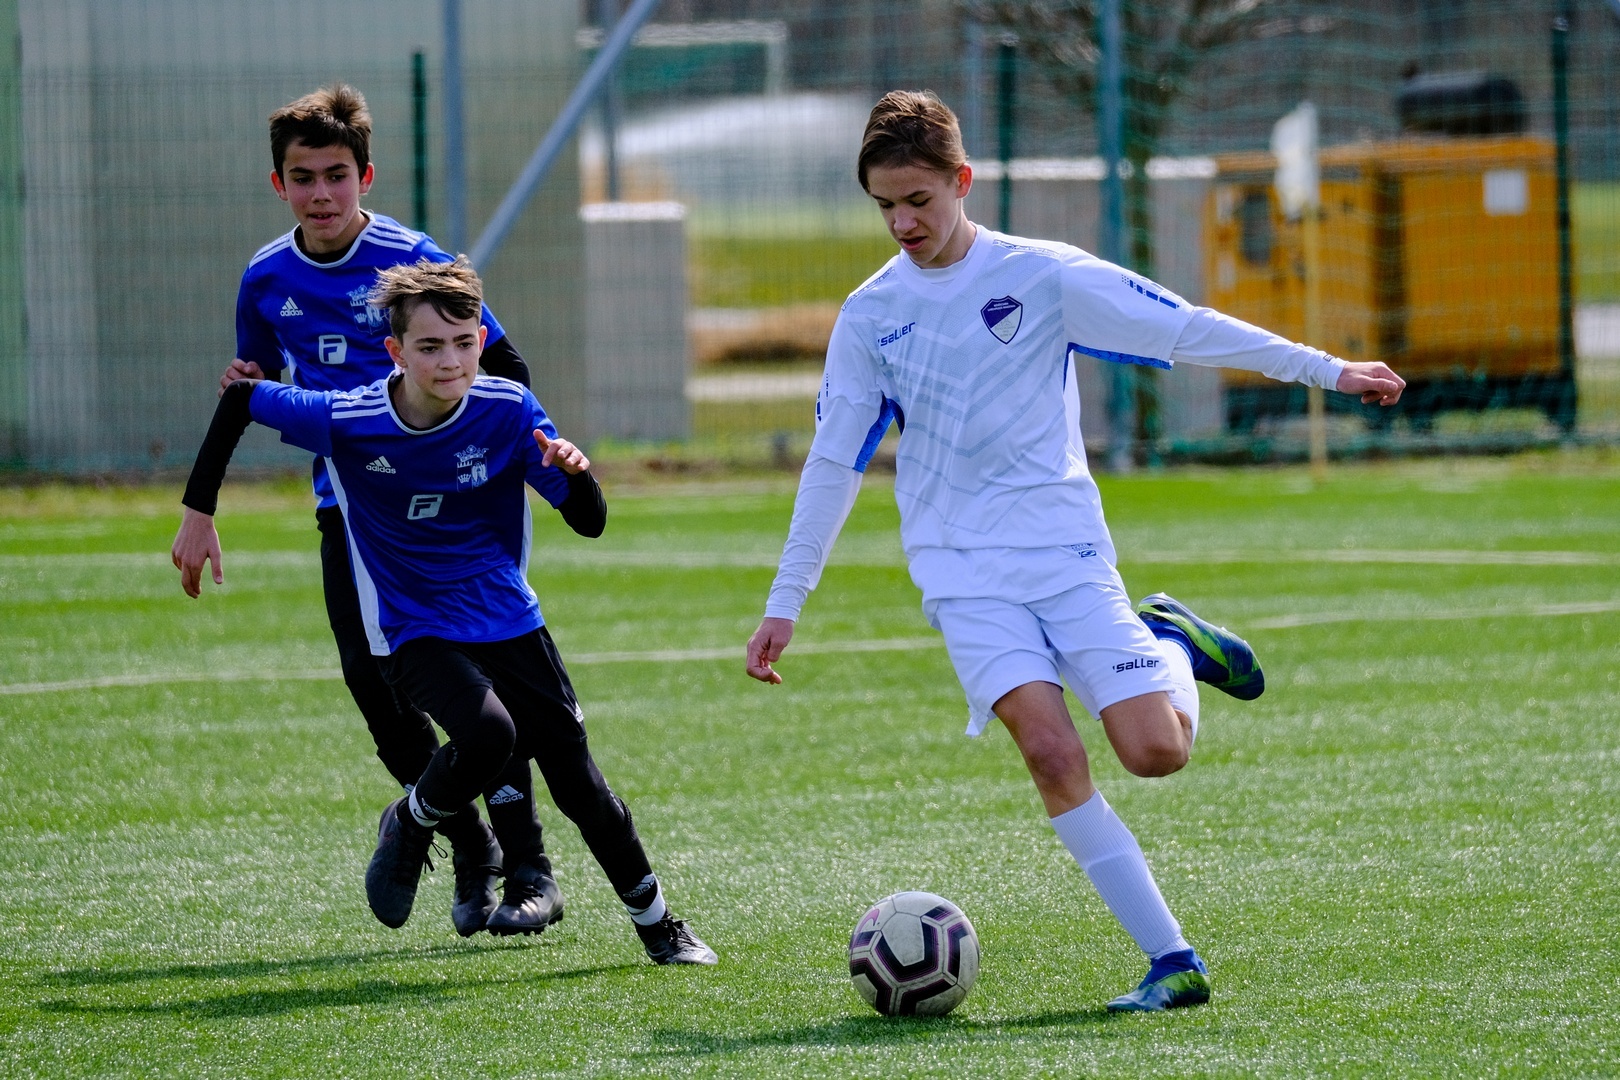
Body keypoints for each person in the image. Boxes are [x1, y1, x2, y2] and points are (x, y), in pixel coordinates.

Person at [744, 91, 1405, 1011]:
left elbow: (1185, 325)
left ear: (962, 182)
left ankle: (1171, 642)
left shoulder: (1042, 275)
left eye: (919, 201)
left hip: (1063, 551)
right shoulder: (870, 315)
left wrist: (1327, 369)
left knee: (1155, 753)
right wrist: (786, 601)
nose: (902, 223)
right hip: (961, 570)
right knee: (1053, 754)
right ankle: (1173, 961)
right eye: (884, 205)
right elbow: (832, 462)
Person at [181, 255, 717, 965]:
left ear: (481, 340)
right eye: (430, 346)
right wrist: (199, 511)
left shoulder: (509, 410)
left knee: (580, 784)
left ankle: (658, 926)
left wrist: (578, 475)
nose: (451, 361)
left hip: (508, 618)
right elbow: (242, 399)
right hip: (414, 627)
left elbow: (589, 523)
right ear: (395, 351)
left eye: (465, 344)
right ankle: (424, 826)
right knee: (489, 735)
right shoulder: (348, 418)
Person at [171, 85, 562, 937]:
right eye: (303, 177)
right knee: (374, 684)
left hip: (450, 509)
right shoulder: (266, 278)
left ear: (366, 176)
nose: (321, 193)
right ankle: (468, 844)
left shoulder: (411, 259)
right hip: (351, 507)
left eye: (336, 175)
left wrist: (524, 458)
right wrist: (200, 507)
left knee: (486, 684)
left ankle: (530, 866)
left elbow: (503, 364)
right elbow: (247, 388)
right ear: (278, 183)